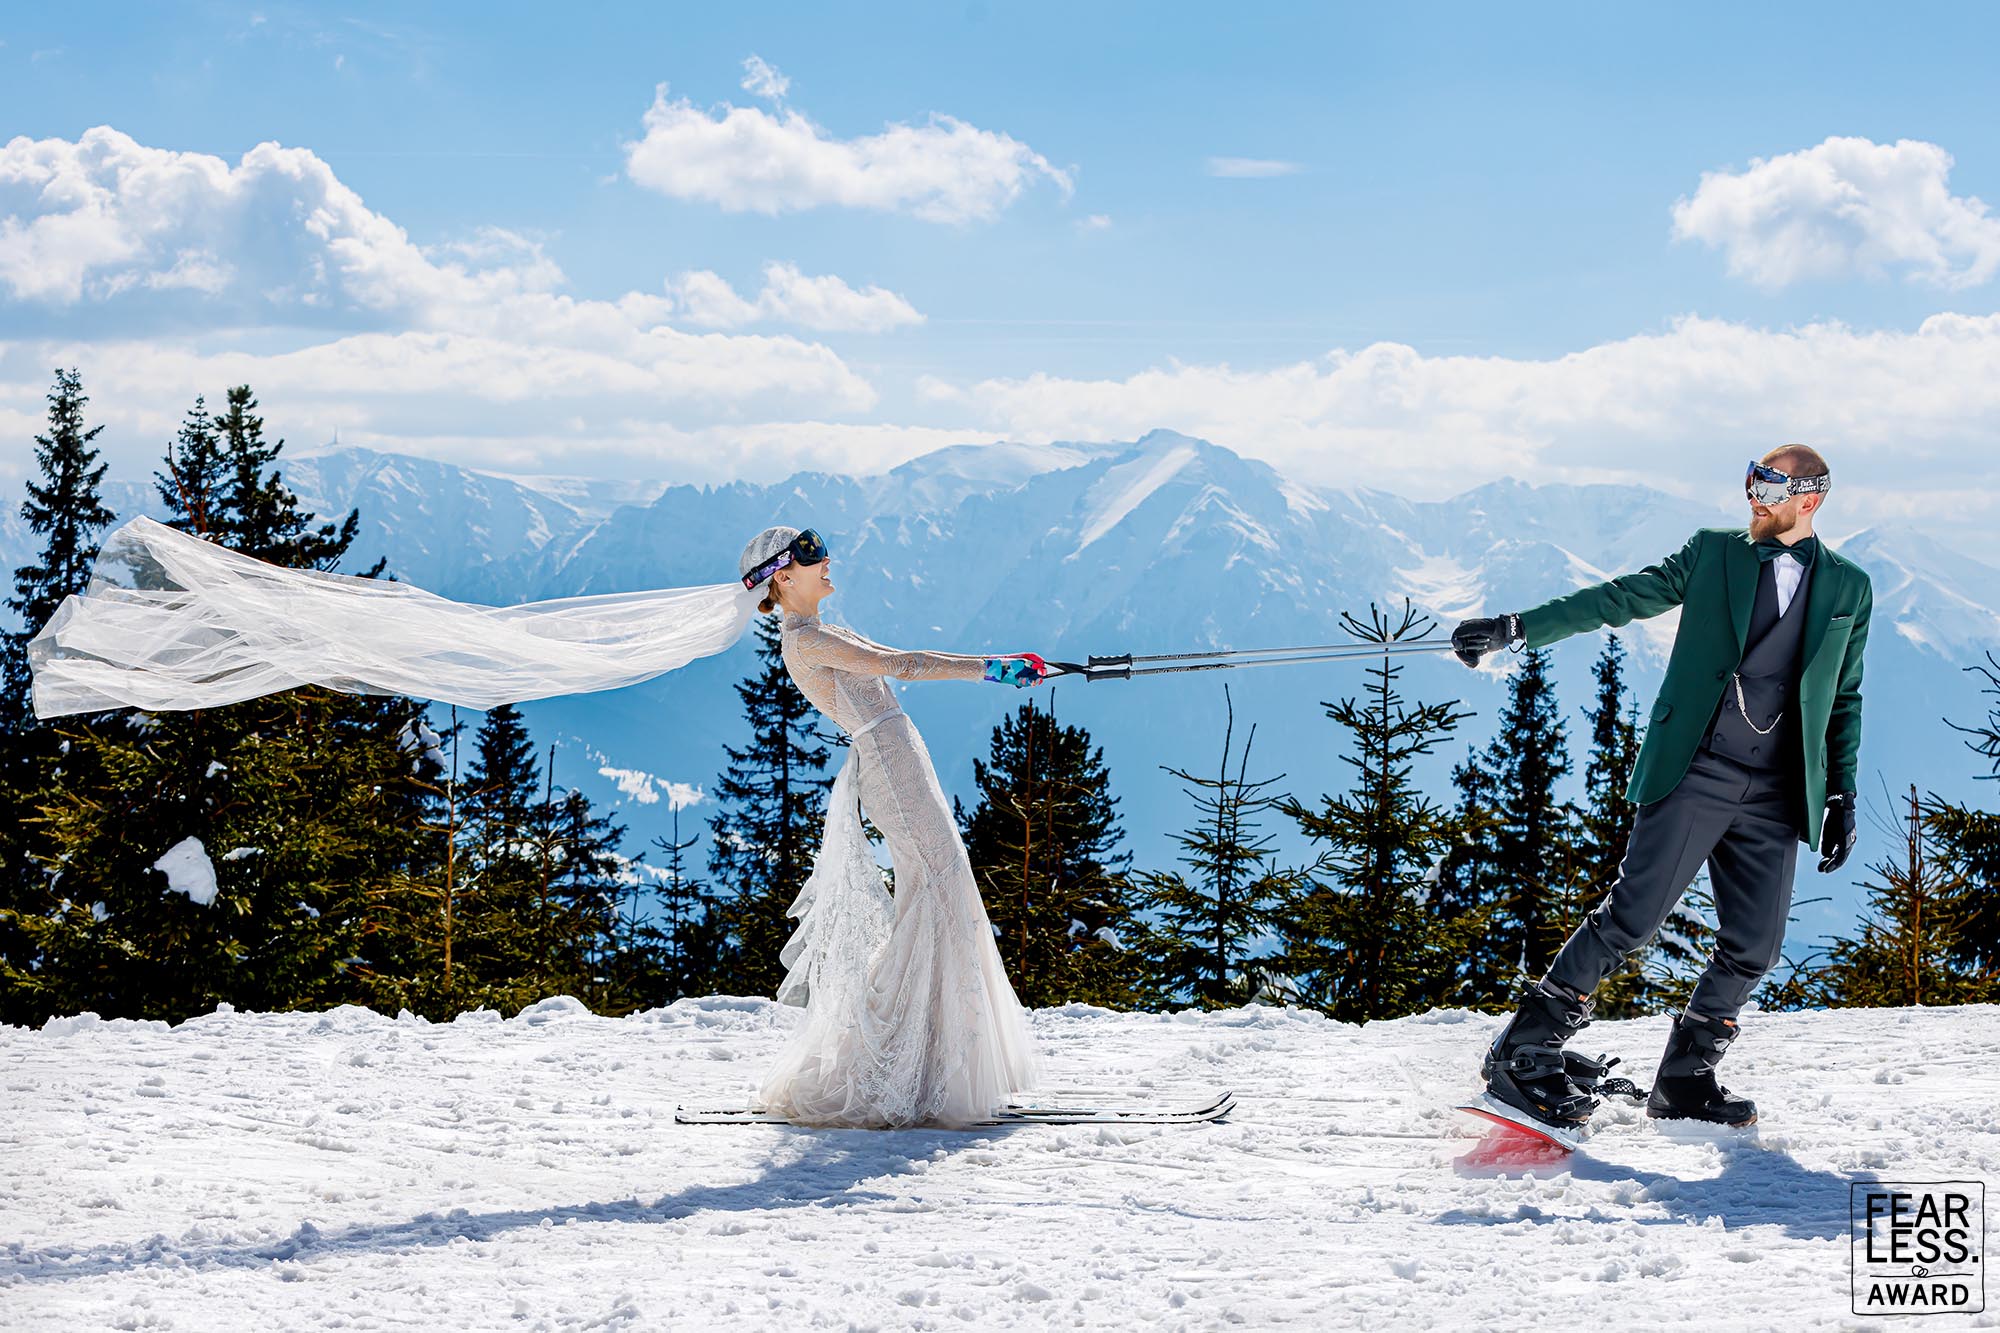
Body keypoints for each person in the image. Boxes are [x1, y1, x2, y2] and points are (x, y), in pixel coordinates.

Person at [1449, 446, 1871, 1131]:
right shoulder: (1713, 553)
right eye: (1750, 480)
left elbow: (1844, 695)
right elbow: (1623, 596)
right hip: (1696, 765)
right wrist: (1519, 628)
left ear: (1810, 498)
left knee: (1755, 944)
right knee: (1633, 917)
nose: (1753, 497)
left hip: (1776, 787)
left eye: (1768, 486)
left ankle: (1685, 1077)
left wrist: (1841, 793)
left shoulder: (1850, 587)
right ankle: (1524, 1049)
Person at [737, 525, 1049, 1128]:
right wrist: (992, 668)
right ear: (781, 576)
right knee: (939, 891)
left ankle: (925, 1061)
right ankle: (900, 1064)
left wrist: (998, 667)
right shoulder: (804, 643)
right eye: (808, 556)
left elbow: (893, 661)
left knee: (941, 892)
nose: (826, 562)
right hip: (889, 764)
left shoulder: (825, 632)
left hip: (900, 756)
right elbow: (899, 662)